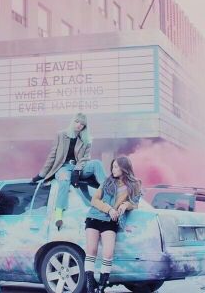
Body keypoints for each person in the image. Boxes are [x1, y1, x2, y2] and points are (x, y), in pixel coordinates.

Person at [31, 112, 107, 230]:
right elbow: (53, 155)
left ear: (84, 127)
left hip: (79, 168)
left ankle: (108, 192)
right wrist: (42, 174)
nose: (79, 125)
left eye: (82, 124)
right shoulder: (61, 135)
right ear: (73, 122)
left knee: (96, 163)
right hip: (63, 167)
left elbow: (86, 158)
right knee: (64, 180)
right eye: (77, 122)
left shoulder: (87, 140)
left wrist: (77, 170)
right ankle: (59, 214)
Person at [83, 156, 141, 293]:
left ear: (124, 168)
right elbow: (94, 200)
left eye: (116, 167)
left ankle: (101, 286)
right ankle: (90, 285)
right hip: (94, 217)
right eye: (112, 167)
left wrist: (125, 204)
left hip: (110, 222)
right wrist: (109, 209)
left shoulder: (135, 184)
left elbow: (135, 203)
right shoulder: (107, 182)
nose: (112, 169)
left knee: (108, 254)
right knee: (91, 251)